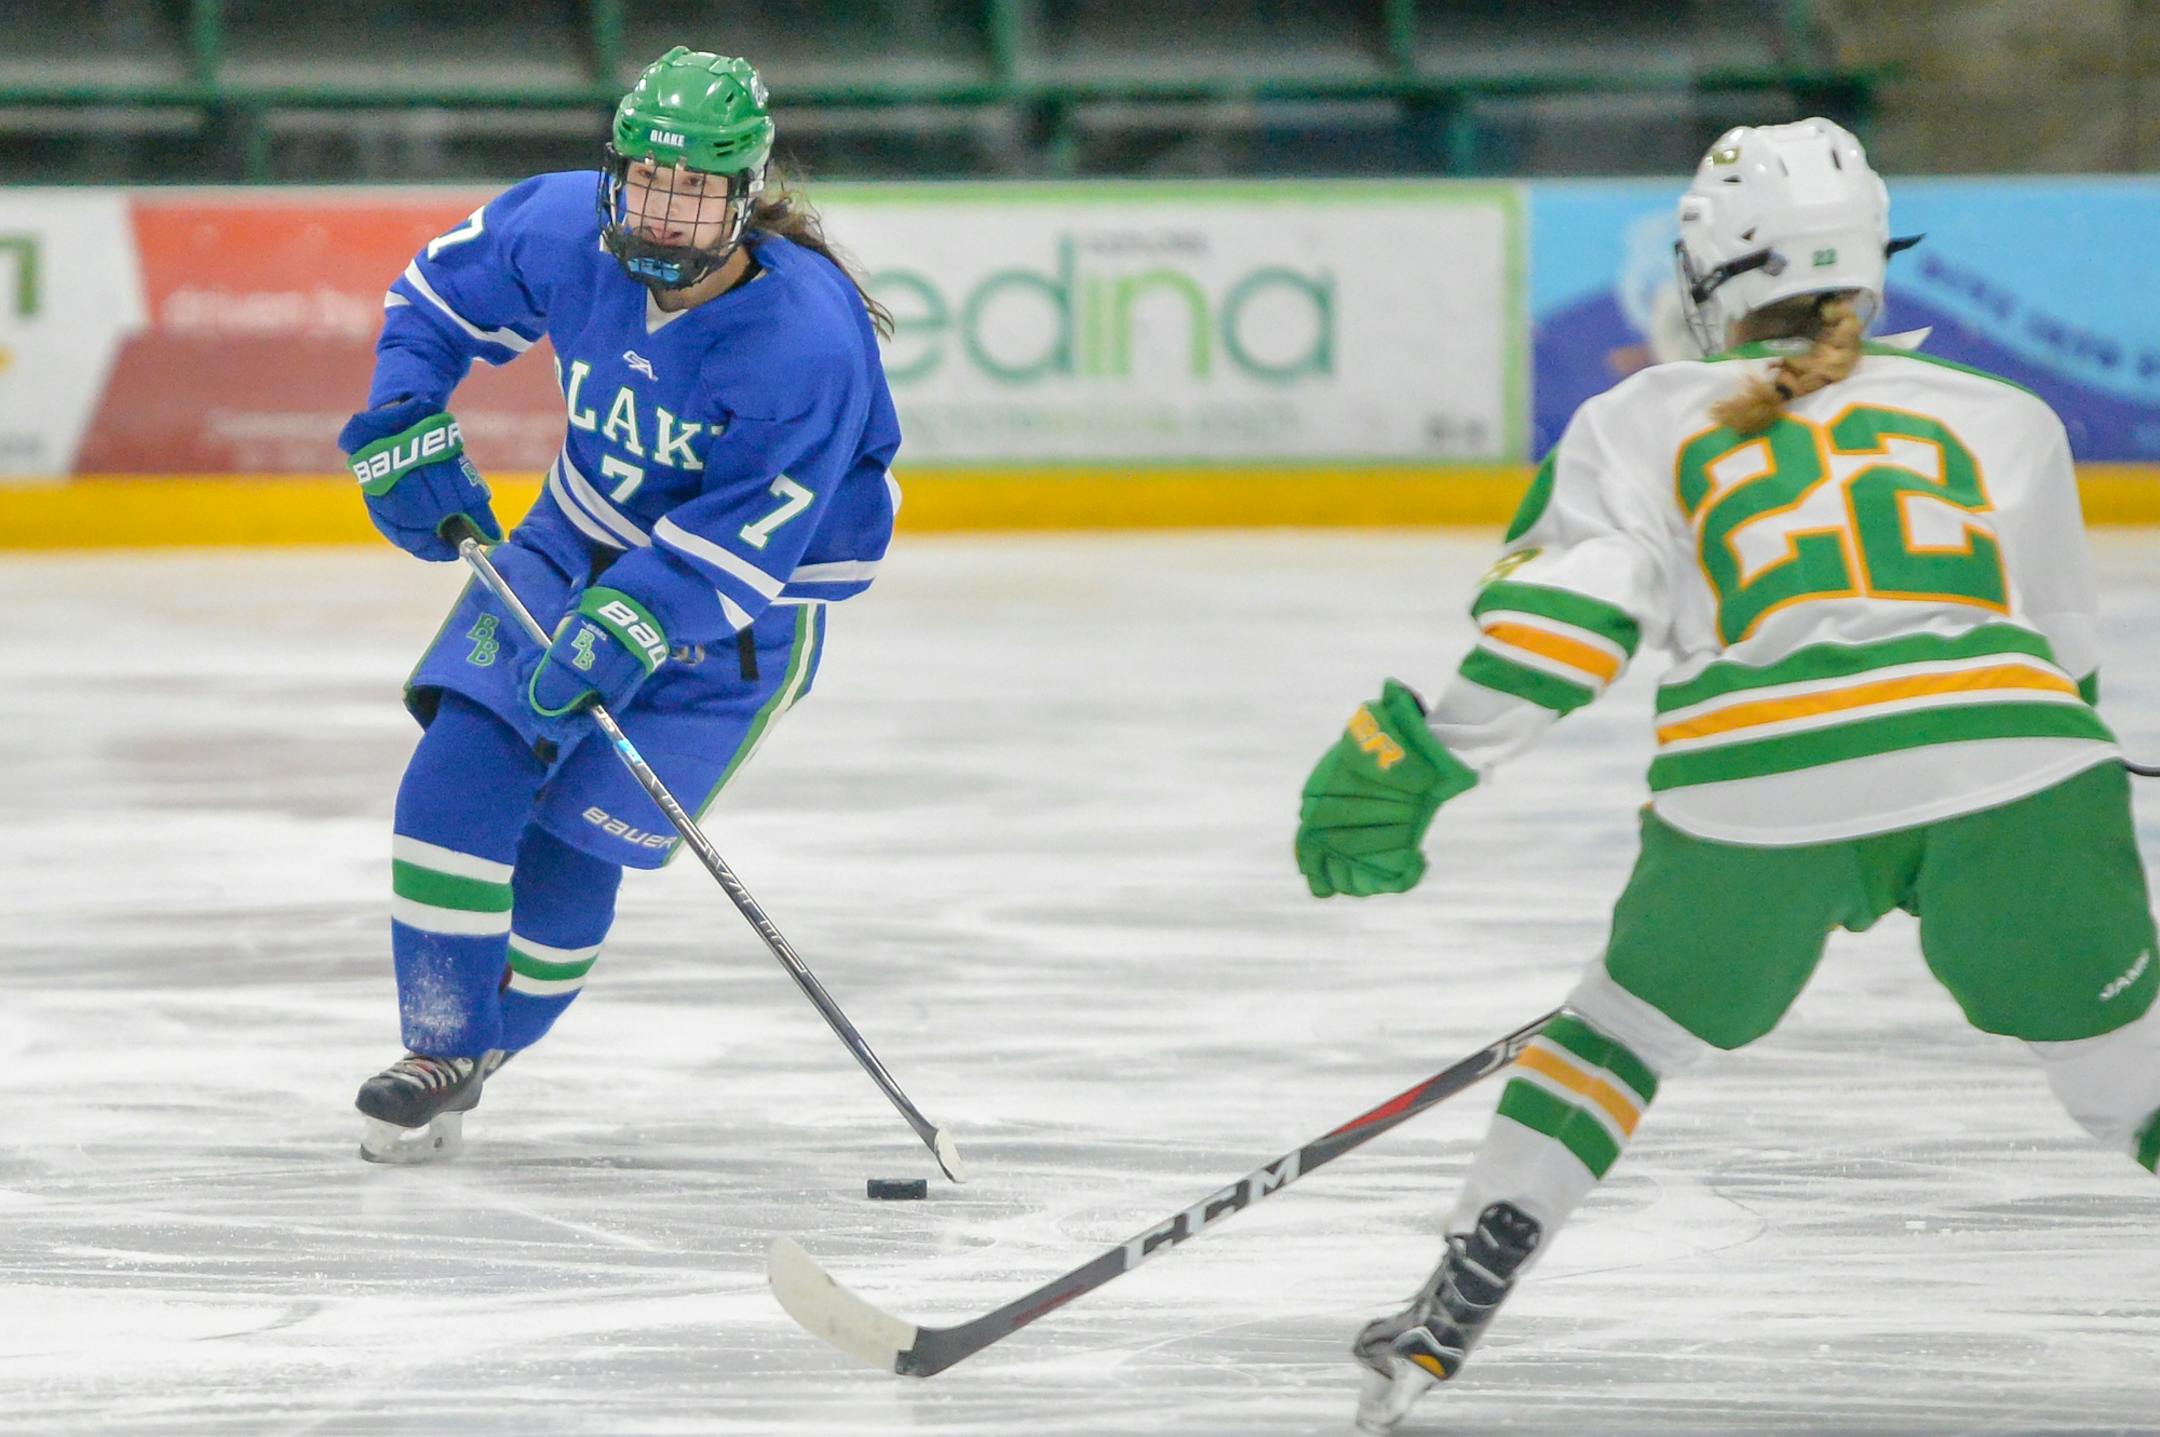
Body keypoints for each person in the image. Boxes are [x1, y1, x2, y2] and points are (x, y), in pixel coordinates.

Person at [1293, 118, 2160, 1431]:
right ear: (1869, 266)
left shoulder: (1639, 416)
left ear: (1706, 277)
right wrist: (1988, 815)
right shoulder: (2012, 420)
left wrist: (1407, 761)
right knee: (2131, 1085)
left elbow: (1562, 628)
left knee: (1619, 1037)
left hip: (1754, 788)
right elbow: (2065, 665)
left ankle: (1445, 1313)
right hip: (2025, 773)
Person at [338, 46, 901, 1162]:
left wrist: (641, 618)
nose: (665, 207)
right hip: (572, 538)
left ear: (745, 195)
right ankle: (437, 1046)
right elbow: (435, 299)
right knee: (463, 760)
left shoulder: (806, 339)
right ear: (618, 170)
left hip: (744, 617)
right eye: (648, 176)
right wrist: (403, 409)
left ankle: (486, 1052)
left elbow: (754, 534)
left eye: (694, 189)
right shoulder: (557, 227)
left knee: (568, 858)